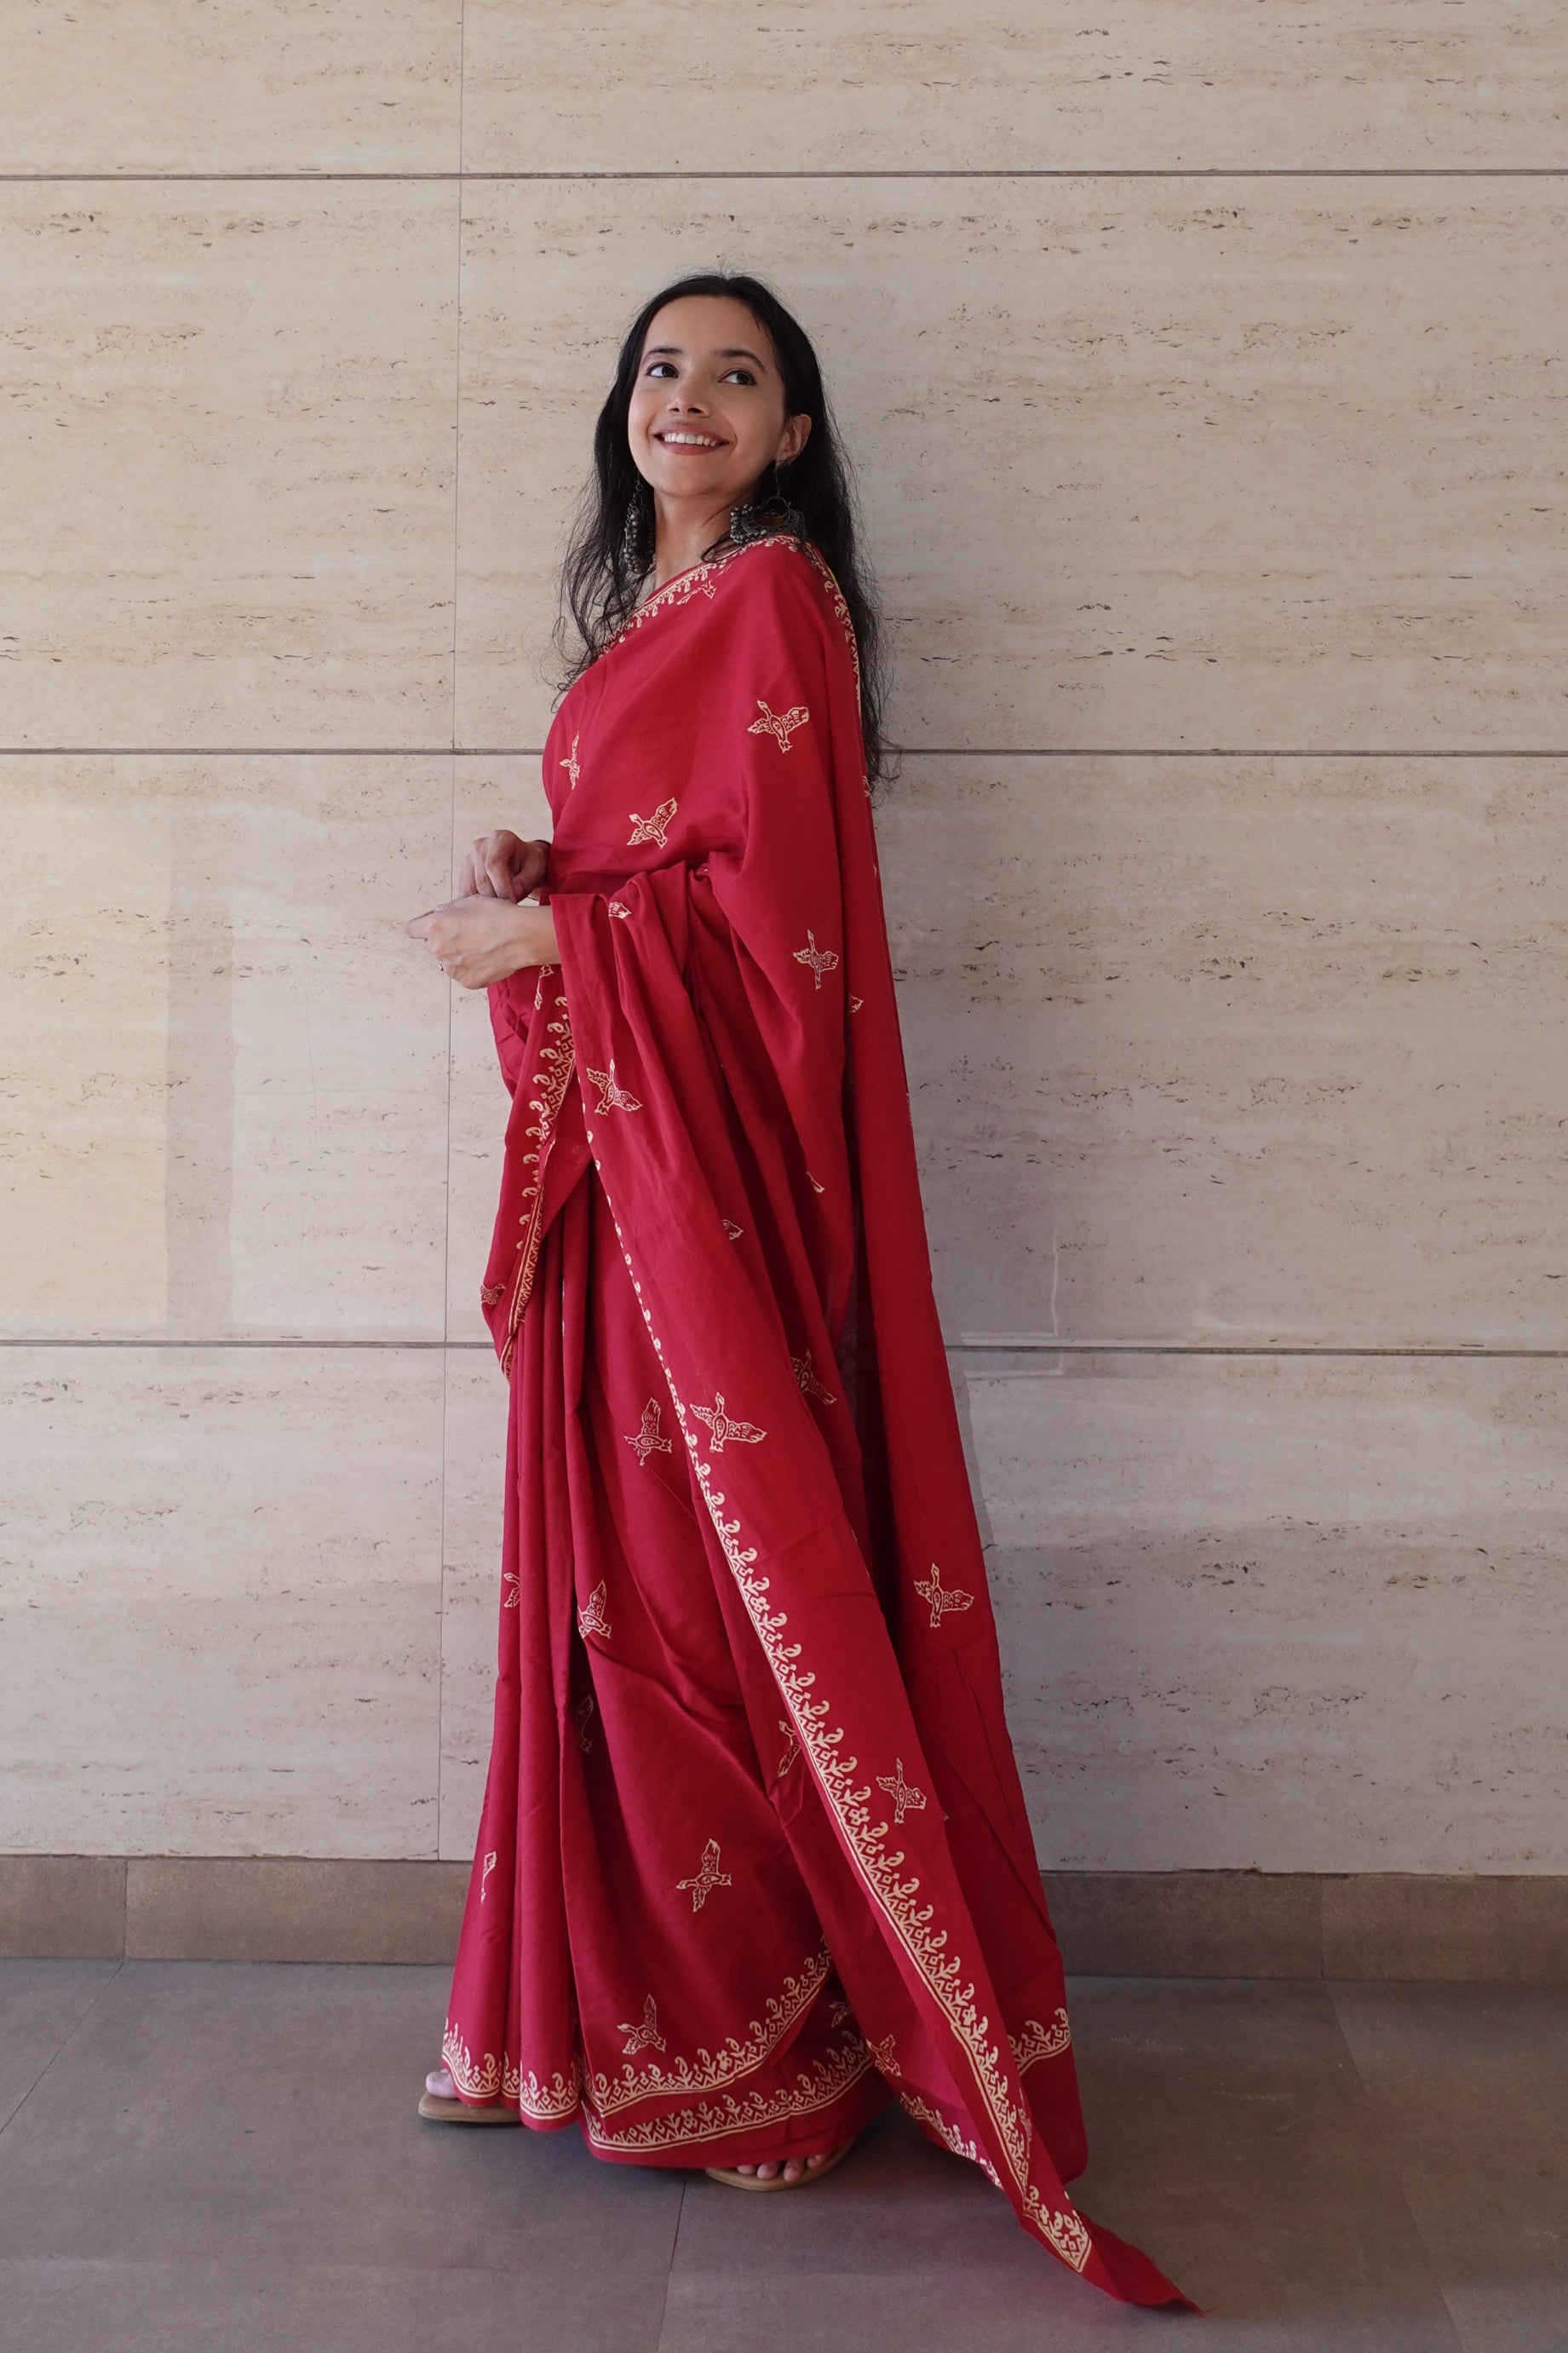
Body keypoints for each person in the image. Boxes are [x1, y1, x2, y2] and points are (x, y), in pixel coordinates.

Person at [405, 273, 1193, 2310]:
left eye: (736, 376)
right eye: (662, 368)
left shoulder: (768, 608)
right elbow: (661, 879)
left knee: (689, 1604)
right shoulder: (652, 631)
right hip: (627, 1197)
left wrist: (563, 954)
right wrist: (545, 890)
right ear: (624, 410)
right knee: (612, 1596)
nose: (691, 397)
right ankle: (603, 2022)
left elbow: (763, 932)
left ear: (795, 434)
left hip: (707, 1214)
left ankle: (755, 2056)